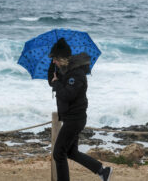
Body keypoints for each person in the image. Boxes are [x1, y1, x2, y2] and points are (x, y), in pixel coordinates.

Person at [48, 38, 112, 181]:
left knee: (58, 153)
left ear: (62, 59)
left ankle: (102, 171)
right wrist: (52, 66)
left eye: (55, 59)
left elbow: (68, 95)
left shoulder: (76, 74)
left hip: (75, 119)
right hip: (71, 118)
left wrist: (57, 83)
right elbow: (50, 82)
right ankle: (102, 171)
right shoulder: (64, 71)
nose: (53, 62)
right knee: (71, 152)